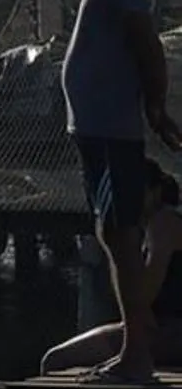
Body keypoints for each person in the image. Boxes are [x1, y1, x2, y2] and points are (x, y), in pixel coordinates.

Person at [56, 0, 182, 381]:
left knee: (122, 231)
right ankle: (134, 348)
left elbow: (144, 41)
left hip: (113, 127)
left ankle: (136, 355)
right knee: (112, 231)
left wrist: (155, 105)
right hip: (95, 128)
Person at [45, 158, 182, 373]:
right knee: (54, 360)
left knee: (58, 361)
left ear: (155, 191)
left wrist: (115, 247)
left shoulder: (164, 222)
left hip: (173, 330)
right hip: (156, 328)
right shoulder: (143, 228)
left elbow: (143, 296)